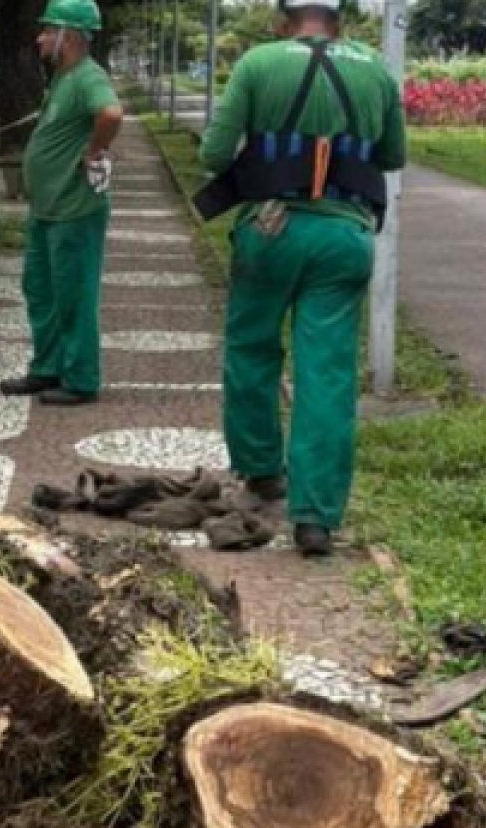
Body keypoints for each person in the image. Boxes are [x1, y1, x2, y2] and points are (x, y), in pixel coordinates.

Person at [197, 0, 406, 558]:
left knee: (252, 348)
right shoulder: (375, 70)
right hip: (343, 237)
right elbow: (392, 155)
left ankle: (263, 470)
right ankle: (315, 519)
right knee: (327, 372)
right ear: (340, 21)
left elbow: (214, 153)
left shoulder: (258, 63)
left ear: (282, 20)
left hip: (270, 230)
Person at [0, 0, 125, 407]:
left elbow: (111, 113)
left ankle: (80, 378)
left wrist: (94, 150)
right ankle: (47, 367)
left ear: (67, 36)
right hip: (47, 209)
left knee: (73, 295)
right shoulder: (62, 77)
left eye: (48, 31)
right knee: (40, 290)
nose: (40, 38)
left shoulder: (88, 76)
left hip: (74, 209)